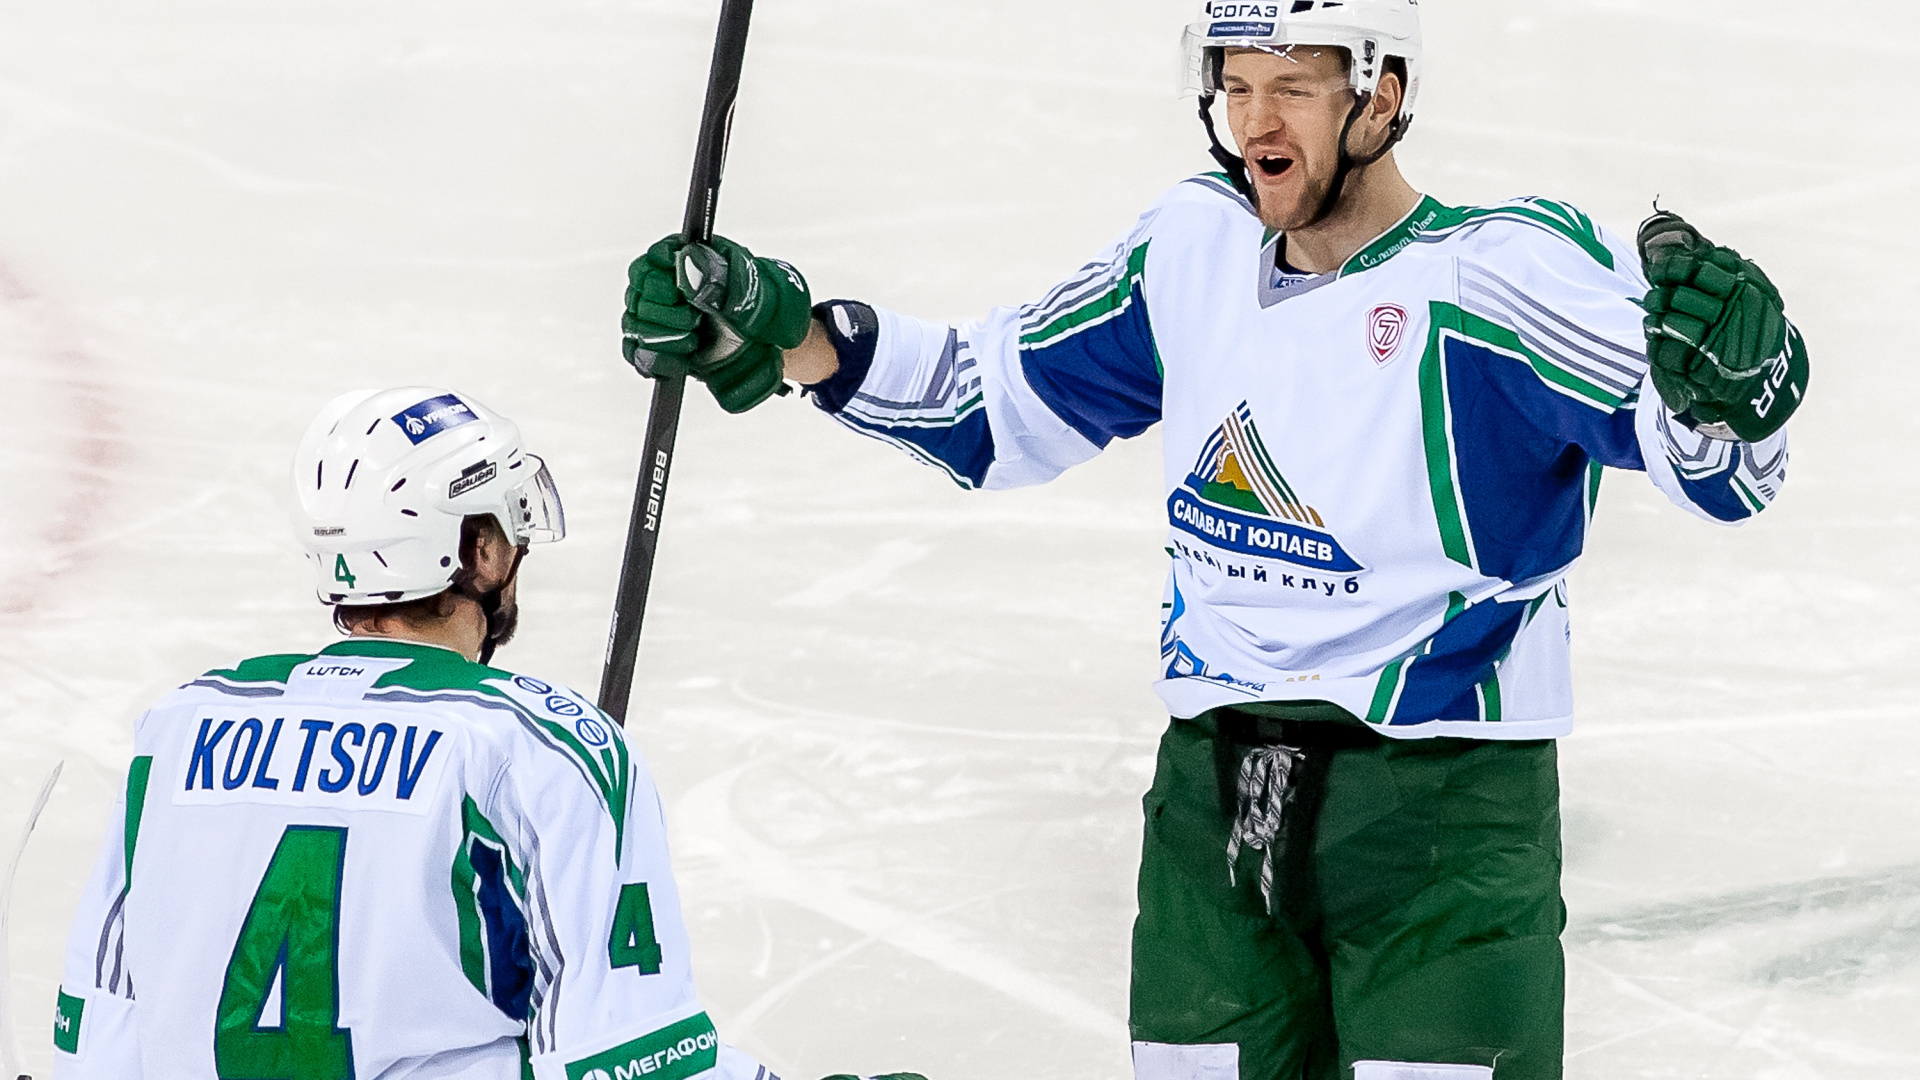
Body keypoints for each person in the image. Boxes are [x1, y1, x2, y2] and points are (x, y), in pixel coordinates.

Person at [619, 2, 1810, 1079]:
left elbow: (1710, 463)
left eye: (1292, 86)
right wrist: (788, 337)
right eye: (1236, 85)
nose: (1255, 121)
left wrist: (1740, 394)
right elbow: (991, 399)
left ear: (1382, 95)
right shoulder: (1190, 249)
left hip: (1440, 815)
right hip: (1216, 802)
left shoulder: (1499, 277)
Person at [52, 387, 923, 1080]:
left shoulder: (181, 727)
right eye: (506, 527)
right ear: (478, 552)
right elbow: (623, 1064)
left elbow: (99, 1038)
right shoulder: (538, 749)